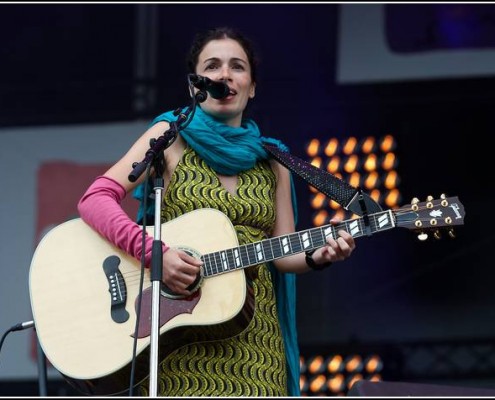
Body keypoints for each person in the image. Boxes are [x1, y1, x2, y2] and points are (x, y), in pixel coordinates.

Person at [77, 26, 356, 397]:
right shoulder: (169, 137)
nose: (224, 75)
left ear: (251, 86)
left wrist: (319, 255)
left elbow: (285, 253)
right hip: (180, 335)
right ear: (196, 84)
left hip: (255, 341)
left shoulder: (275, 161)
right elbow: (94, 200)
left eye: (237, 67)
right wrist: (154, 254)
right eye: (212, 66)